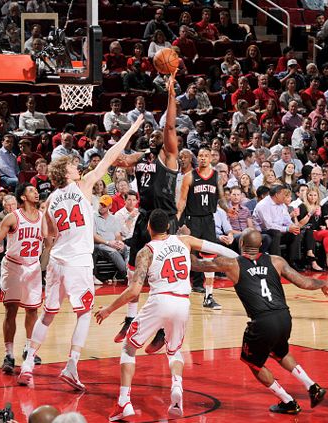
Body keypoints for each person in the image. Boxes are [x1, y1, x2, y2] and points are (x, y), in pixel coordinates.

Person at [18, 116, 144, 389]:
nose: (78, 167)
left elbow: (46, 236)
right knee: (84, 314)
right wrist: (131, 130)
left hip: (57, 262)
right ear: (67, 173)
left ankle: (27, 364)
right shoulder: (84, 184)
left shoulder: (49, 200)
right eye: (74, 165)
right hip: (78, 263)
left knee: (48, 314)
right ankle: (72, 365)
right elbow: (110, 157)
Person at [94, 210, 238, 421]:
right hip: (182, 302)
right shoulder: (185, 240)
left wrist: (108, 310)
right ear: (169, 227)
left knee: (129, 347)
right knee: (174, 351)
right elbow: (212, 246)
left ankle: (124, 402)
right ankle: (177, 386)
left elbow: (134, 291)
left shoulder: (146, 251)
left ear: (149, 228)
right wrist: (241, 258)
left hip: (159, 301)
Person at [190, 229, 328, 414]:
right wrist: (323, 284)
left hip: (262, 321)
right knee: (280, 352)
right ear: (261, 245)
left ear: (241, 244)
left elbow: (196, 265)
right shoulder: (276, 261)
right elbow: (303, 282)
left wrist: (185, 243)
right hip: (284, 317)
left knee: (252, 362)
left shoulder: (231, 264)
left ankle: (288, 401)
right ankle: (312, 387)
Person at [110, 73, 184, 354]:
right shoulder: (142, 158)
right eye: (151, 134)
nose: (156, 136)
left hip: (164, 220)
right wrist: (128, 138)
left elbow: (169, 125)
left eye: (158, 135)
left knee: (159, 277)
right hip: (144, 218)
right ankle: (130, 319)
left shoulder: (170, 156)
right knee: (133, 272)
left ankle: (162, 331)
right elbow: (118, 159)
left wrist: (170, 94)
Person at [0, 183, 47, 375]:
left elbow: (50, 240)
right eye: (30, 190)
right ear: (22, 197)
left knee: (32, 310)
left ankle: (29, 349)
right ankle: (9, 354)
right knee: (11, 309)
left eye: (35, 190)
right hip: (14, 267)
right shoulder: (13, 217)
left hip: (33, 267)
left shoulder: (43, 218)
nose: (35, 192)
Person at [177, 146, 229, 309]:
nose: (203, 158)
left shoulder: (217, 177)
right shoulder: (189, 177)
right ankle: (180, 291)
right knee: (186, 256)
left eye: (206, 155)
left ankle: (209, 296)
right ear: (197, 158)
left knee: (209, 258)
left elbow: (221, 199)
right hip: (192, 220)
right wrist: (178, 220)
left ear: (211, 158)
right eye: (200, 155)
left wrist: (228, 210)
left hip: (208, 220)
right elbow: (183, 200)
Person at [253, 186, 304, 267]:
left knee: (295, 232)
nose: (285, 197)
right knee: (275, 233)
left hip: (280, 230)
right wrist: (287, 228)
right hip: (263, 232)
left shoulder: (282, 205)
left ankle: (293, 262)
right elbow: (268, 226)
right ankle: (277, 262)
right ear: (277, 195)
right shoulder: (263, 205)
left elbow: (287, 220)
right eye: (284, 194)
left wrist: (292, 226)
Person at [94, 195, 129, 282]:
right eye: (101, 204)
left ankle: (127, 272)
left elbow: (117, 234)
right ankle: (126, 274)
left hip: (113, 243)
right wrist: (108, 242)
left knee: (127, 248)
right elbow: (93, 236)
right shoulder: (93, 217)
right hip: (100, 244)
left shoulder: (114, 218)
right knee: (112, 251)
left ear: (110, 206)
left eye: (104, 205)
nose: (101, 206)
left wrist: (119, 242)